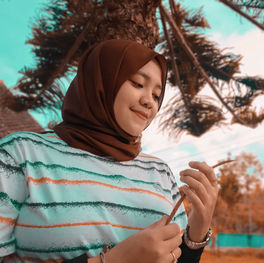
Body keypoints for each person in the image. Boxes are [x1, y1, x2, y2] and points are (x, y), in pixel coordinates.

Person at [0, 39, 219, 263]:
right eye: (137, 83)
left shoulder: (160, 173)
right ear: (101, 81)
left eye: (156, 95)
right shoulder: (20, 155)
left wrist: (196, 234)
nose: (149, 102)